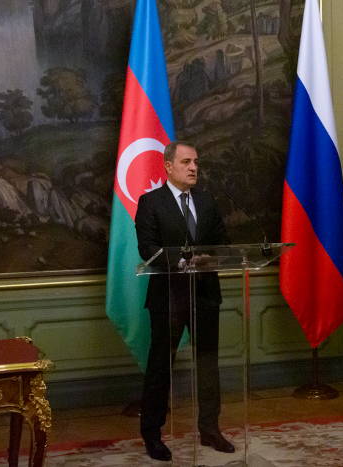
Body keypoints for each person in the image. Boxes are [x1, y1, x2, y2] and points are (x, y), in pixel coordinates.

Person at [135, 141, 234, 461]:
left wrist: (209, 257)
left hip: (204, 292)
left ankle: (210, 429)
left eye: (196, 162)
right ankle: (152, 434)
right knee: (160, 366)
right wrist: (180, 262)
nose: (194, 168)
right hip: (169, 295)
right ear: (168, 166)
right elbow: (147, 248)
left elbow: (223, 241)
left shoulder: (206, 200)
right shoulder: (151, 202)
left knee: (208, 364)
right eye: (186, 162)